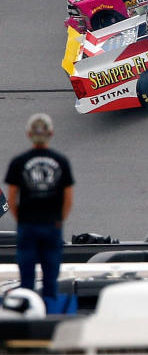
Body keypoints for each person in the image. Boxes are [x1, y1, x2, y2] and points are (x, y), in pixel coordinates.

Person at [5, 114, 75, 307]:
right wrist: (59, 219)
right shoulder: (61, 161)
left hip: (28, 225)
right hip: (52, 224)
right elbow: (68, 198)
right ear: (51, 133)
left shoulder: (18, 162)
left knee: (26, 278)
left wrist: (21, 220)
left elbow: (11, 197)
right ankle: (49, 317)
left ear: (28, 134)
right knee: (51, 277)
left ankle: (27, 316)